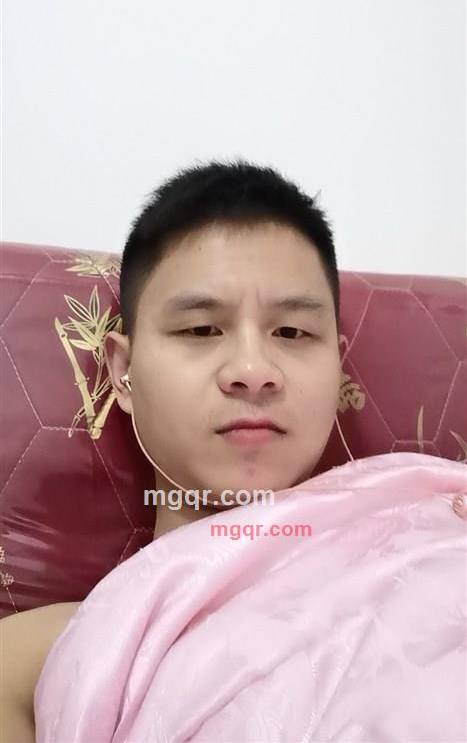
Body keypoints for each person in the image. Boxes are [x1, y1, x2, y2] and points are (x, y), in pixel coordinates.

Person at [1, 159, 465, 743]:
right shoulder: (51, 653)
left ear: (337, 365)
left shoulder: (432, 513)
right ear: (122, 372)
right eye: (200, 330)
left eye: (292, 333)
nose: (252, 370)